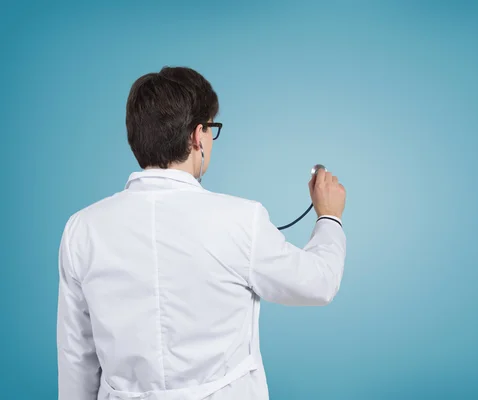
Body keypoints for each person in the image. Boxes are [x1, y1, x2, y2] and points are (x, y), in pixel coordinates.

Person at [56, 66, 347, 400]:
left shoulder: (82, 229)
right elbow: (318, 284)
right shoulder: (242, 219)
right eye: (211, 129)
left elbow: (76, 357)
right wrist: (329, 218)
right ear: (198, 136)